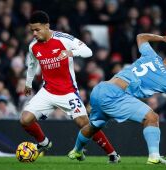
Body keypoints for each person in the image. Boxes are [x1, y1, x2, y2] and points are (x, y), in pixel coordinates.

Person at [68, 31, 166, 164]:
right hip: (115, 96)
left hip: (100, 88)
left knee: (94, 126)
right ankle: (154, 156)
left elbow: (140, 36)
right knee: (152, 117)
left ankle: (76, 151)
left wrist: (165, 38)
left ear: (165, 60)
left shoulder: (152, 56)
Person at [20, 11, 120, 163]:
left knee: (85, 125)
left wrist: (70, 53)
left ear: (47, 26)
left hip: (68, 93)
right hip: (47, 91)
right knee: (25, 120)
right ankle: (44, 143)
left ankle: (112, 154)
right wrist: (28, 83)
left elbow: (88, 51)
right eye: (32, 30)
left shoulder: (63, 39)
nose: (34, 33)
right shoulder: (33, 46)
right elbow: (33, 65)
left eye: (37, 29)